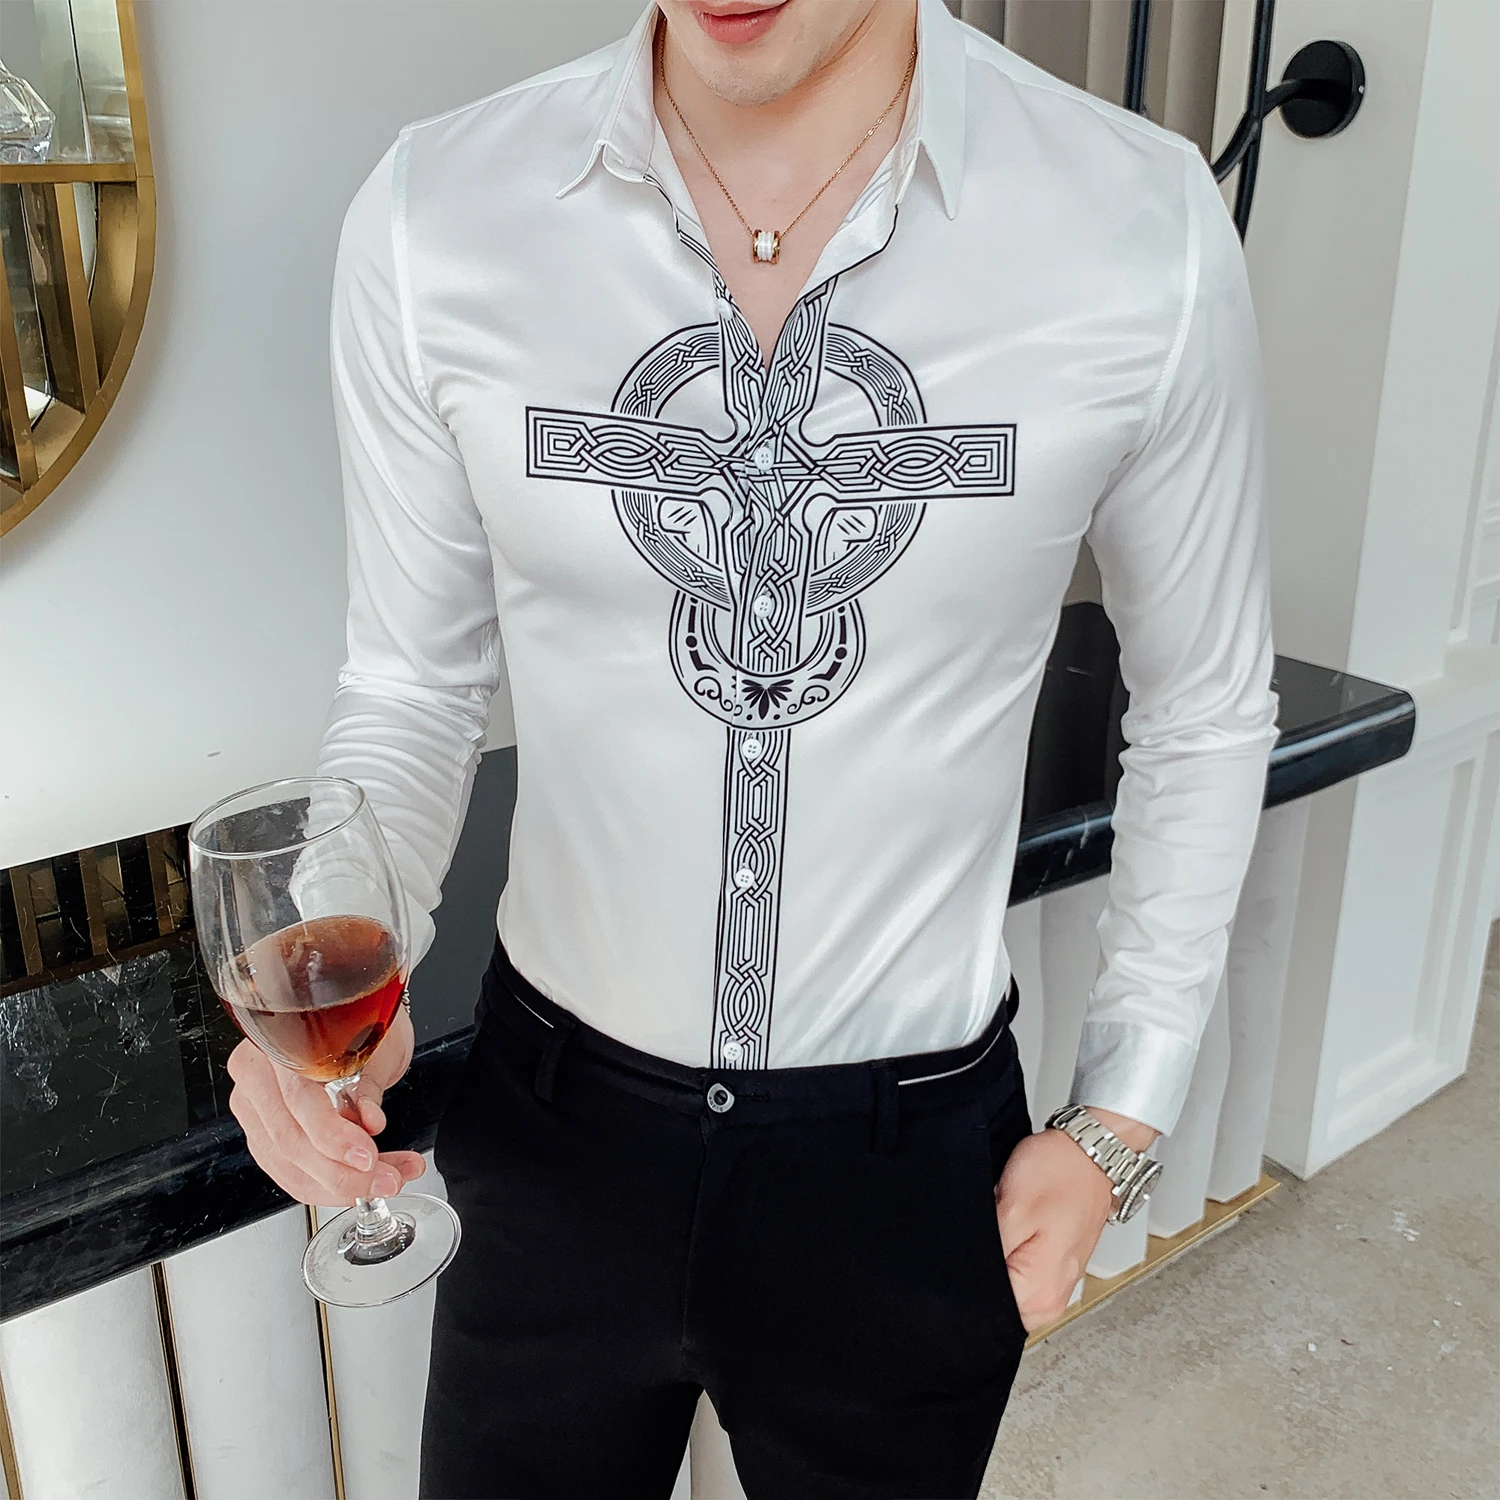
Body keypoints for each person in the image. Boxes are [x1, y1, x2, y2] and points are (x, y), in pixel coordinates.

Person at [224, 0, 1279, 1495]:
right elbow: (410, 684)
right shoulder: (435, 218)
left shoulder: (1139, 227)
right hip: (549, 1127)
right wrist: (359, 953)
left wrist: (1122, 1113)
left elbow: (1206, 707)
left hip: (905, 1161)